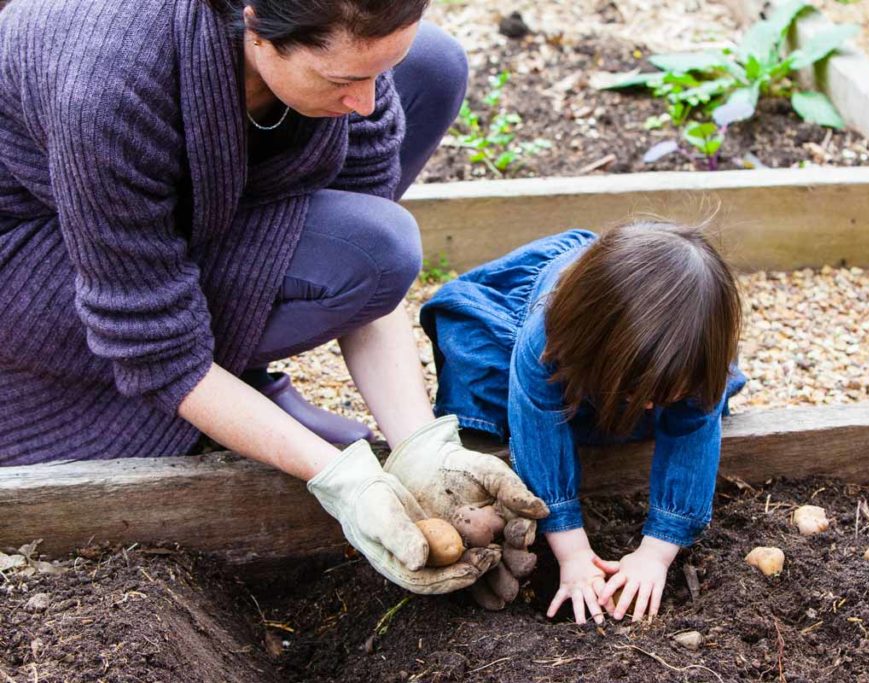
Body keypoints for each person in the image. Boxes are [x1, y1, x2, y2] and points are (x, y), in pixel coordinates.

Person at [0, 0, 547, 595]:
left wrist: (421, 447)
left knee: (434, 66)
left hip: (177, 206)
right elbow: (152, 341)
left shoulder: (340, 41)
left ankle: (240, 379)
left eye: (373, 76)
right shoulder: (109, 83)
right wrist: (343, 483)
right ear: (256, 24)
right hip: (35, 256)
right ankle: (215, 405)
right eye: (344, 81)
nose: (365, 102)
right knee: (375, 251)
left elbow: (363, 205)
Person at [421, 220, 746, 623]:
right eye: (635, 394)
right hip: (524, 326)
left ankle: (611, 403)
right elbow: (538, 425)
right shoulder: (547, 337)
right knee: (494, 393)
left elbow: (693, 434)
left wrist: (656, 553)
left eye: (661, 396)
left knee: (686, 409)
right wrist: (572, 553)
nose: (648, 406)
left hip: (612, 353)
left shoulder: (698, 351)